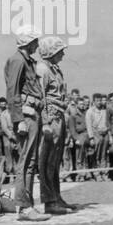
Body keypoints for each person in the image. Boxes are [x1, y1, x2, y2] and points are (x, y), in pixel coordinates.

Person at [3, 31, 49, 221]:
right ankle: (23, 206)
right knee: (24, 163)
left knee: (30, 163)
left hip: (33, 113)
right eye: (35, 41)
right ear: (28, 42)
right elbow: (12, 91)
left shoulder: (26, 61)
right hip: (26, 115)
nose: (37, 45)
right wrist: (18, 119)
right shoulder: (18, 61)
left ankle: (27, 204)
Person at [35, 36, 73, 215]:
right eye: (59, 50)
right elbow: (40, 98)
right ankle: (49, 201)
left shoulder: (55, 70)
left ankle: (56, 197)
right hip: (50, 118)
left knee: (55, 161)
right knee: (47, 161)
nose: (63, 54)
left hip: (59, 116)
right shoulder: (42, 70)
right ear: (51, 51)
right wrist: (45, 122)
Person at [85, 93, 107, 180]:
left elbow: (107, 122)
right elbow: (88, 126)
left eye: (100, 100)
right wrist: (91, 138)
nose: (99, 102)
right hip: (95, 135)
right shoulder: (90, 112)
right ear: (93, 101)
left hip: (104, 135)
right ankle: (97, 174)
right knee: (96, 156)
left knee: (103, 155)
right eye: (97, 101)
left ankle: (104, 173)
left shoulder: (104, 110)